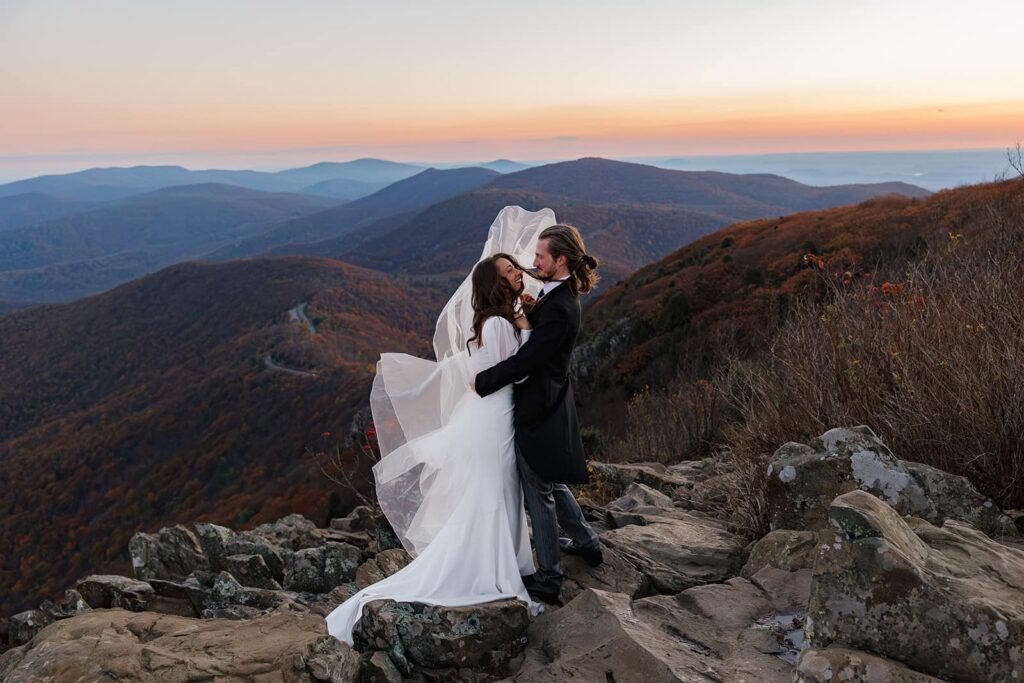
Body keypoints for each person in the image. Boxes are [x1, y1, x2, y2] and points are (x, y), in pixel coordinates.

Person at [325, 206, 553, 645]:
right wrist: (526, 322)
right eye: (509, 270)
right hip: (495, 421)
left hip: (487, 418)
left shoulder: (487, 323)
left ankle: (499, 560)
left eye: (515, 266)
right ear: (496, 283)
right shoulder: (502, 325)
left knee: (492, 492)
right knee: (494, 492)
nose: (518, 272)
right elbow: (518, 372)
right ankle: (492, 568)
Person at [472, 223, 603, 606]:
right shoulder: (555, 297)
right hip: (548, 402)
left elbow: (529, 359)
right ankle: (586, 541)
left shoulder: (561, 307)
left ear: (560, 260)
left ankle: (549, 577)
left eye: (540, 257)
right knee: (550, 479)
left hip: (539, 407)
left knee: (538, 493)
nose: (532, 263)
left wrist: (483, 381)